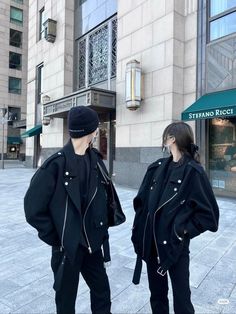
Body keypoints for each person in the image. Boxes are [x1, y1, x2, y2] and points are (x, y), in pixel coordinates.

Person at [24, 106, 126, 314]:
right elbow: (32, 208)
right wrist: (57, 237)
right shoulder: (55, 165)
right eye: (96, 128)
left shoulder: (96, 160)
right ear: (90, 131)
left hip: (93, 246)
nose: (97, 131)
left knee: (102, 295)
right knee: (65, 302)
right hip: (67, 249)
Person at [131, 121, 219, 314]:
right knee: (157, 297)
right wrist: (139, 232)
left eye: (165, 137)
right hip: (152, 248)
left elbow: (210, 216)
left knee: (182, 301)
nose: (163, 141)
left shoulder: (193, 172)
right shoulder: (156, 168)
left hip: (175, 248)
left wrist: (182, 230)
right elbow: (141, 203)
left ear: (171, 139)